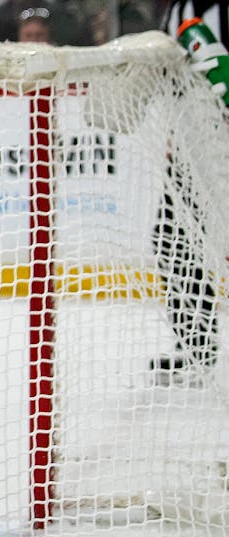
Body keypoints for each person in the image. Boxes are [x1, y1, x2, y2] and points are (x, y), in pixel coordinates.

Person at [152, 1, 229, 381]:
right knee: (171, 239)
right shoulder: (177, 8)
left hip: (222, 144)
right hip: (192, 146)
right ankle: (196, 349)